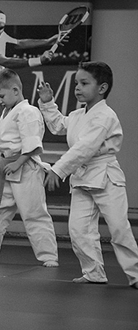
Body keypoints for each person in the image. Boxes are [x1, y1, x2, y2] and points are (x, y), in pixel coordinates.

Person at [38, 61, 138, 288]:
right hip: (82, 178)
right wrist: (47, 103)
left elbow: (85, 148)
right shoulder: (77, 115)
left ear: (102, 88)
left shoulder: (105, 116)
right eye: (76, 83)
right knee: (79, 229)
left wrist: (58, 169)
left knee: (119, 229)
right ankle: (93, 272)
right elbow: (58, 125)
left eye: (84, 83)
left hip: (106, 176)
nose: (77, 88)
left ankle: (136, 274)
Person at [0, 69, 58, 267]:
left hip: (26, 170)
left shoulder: (28, 112)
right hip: (6, 169)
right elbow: (5, 142)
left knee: (34, 213)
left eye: (1, 96)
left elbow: (32, 143)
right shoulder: (8, 112)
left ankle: (48, 256)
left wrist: (18, 162)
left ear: (15, 90)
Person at [0, 10, 61, 132]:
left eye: (1, 28)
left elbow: (19, 43)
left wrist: (47, 41)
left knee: (4, 102)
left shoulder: (1, 35)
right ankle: (1, 136)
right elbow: (5, 62)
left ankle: (4, 136)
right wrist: (38, 60)